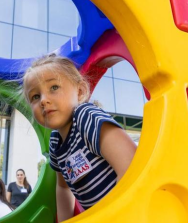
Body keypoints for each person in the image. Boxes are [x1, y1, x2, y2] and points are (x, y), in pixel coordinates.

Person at [21, 54, 136, 222]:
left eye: (54, 87)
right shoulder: (56, 143)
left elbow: (130, 165)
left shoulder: (85, 116)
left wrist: (118, 213)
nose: (44, 100)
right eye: (35, 97)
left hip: (129, 210)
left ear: (80, 91)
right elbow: (63, 188)